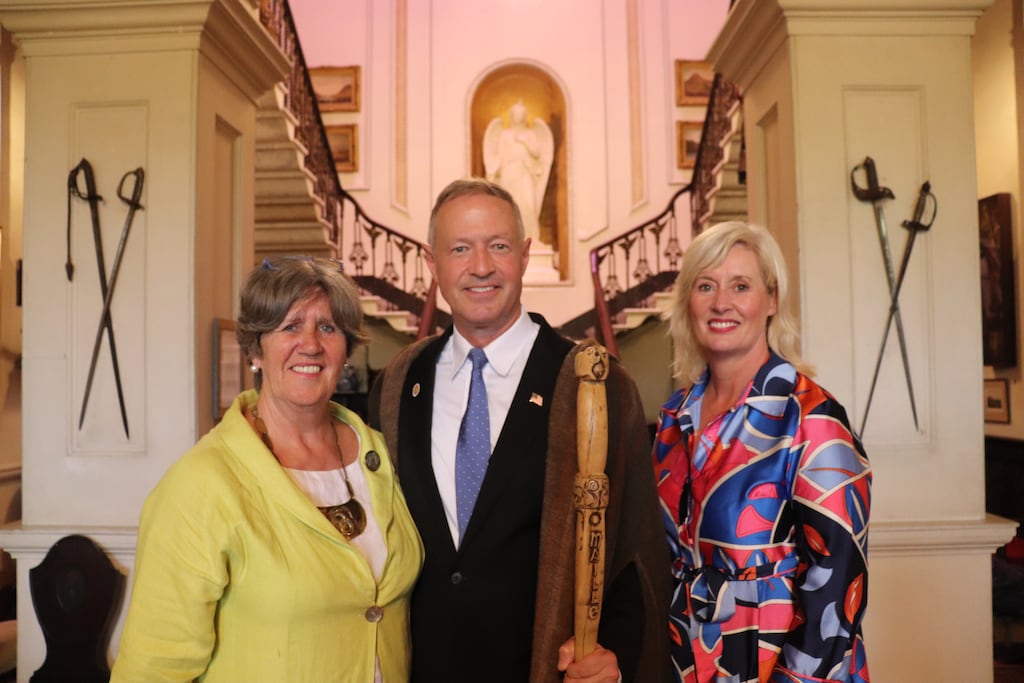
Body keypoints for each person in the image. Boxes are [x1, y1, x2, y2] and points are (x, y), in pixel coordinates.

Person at [369, 178, 670, 683]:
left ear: (525, 255)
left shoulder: (594, 386)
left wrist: (614, 656)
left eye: (499, 246)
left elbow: (635, 550)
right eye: (460, 249)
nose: (481, 266)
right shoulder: (399, 384)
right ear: (431, 263)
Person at [111, 257, 424, 682]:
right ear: (256, 349)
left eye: (328, 327)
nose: (310, 344)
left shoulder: (383, 456)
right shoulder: (200, 484)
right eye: (289, 326)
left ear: (346, 348)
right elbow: (153, 669)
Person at [652, 221, 871, 683]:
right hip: (682, 662)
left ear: (771, 300)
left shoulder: (811, 417)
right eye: (705, 286)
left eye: (740, 286)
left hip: (780, 666)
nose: (721, 303)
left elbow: (837, 589)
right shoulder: (673, 419)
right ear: (688, 301)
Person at [483, 100, 554, 245]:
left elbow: (537, 153)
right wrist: (493, 170)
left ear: (524, 115)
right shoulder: (505, 134)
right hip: (508, 172)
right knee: (508, 205)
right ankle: (506, 239)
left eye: (521, 113)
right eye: (515, 113)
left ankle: (531, 238)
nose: (518, 116)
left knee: (529, 204)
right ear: (512, 115)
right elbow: (500, 155)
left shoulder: (529, 134)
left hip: (525, 172)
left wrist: (524, 142)